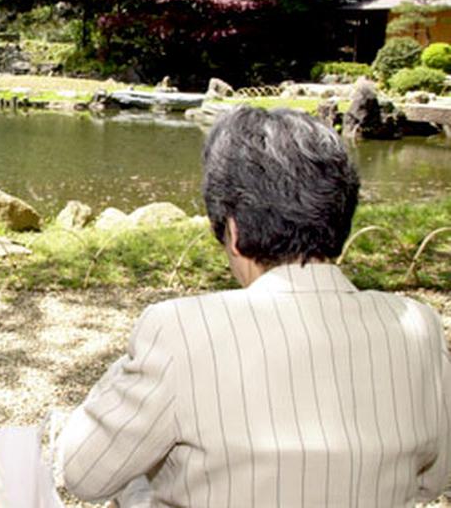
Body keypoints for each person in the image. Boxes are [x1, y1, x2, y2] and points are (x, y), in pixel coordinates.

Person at [58, 106, 451, 507]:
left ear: (234, 231)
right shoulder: (418, 327)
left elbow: (84, 475)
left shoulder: (182, 332)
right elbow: (433, 478)